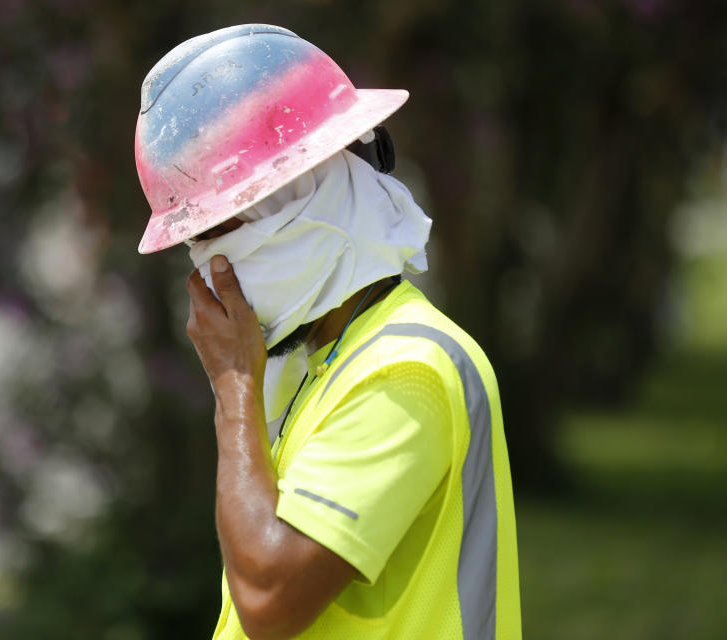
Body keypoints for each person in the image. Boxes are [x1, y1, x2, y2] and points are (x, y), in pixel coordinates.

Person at [135, 24, 521, 639]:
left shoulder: (404, 371)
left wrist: (234, 385)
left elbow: (269, 598)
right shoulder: (322, 364)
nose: (207, 271)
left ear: (305, 200)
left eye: (217, 232)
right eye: (194, 239)